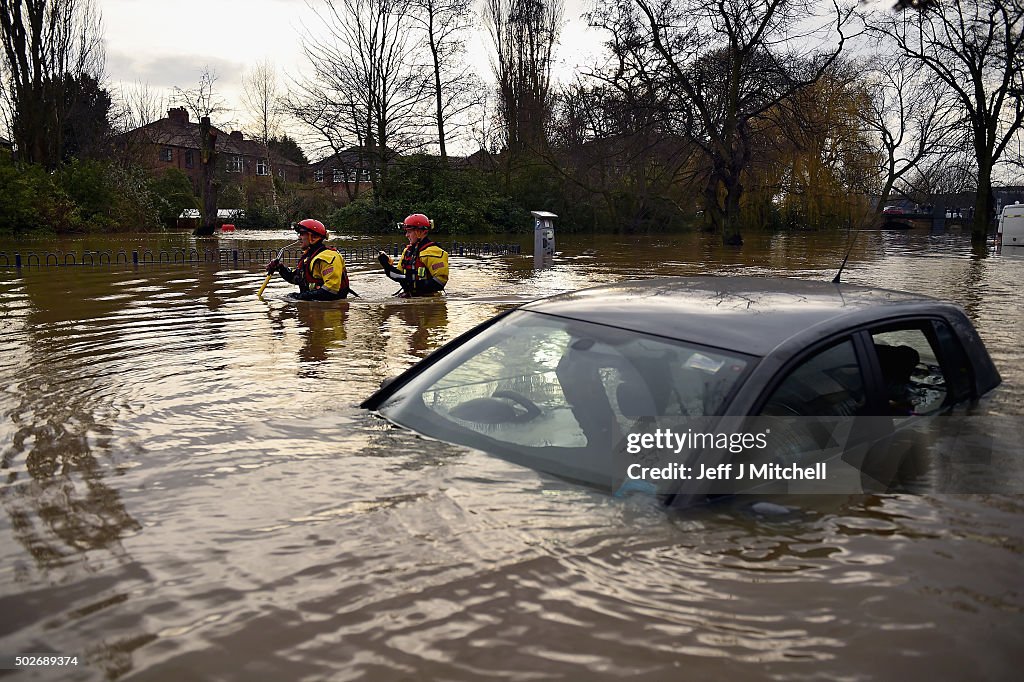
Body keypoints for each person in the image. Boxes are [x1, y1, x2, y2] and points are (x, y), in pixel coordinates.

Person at [266, 219, 350, 300]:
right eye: (299, 234)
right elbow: (297, 278)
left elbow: (331, 291)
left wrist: (300, 297)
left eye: (302, 234)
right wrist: (280, 268)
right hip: (314, 307)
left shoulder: (329, 257)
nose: (299, 237)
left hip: (330, 310)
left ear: (313, 237)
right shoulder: (309, 256)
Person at [377, 213, 449, 297]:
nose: (406, 235)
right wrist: (386, 266)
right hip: (411, 296)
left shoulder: (433, 252)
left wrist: (414, 285)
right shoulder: (407, 251)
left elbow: (440, 282)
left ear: (420, 232)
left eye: (409, 232)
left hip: (428, 299)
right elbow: (399, 276)